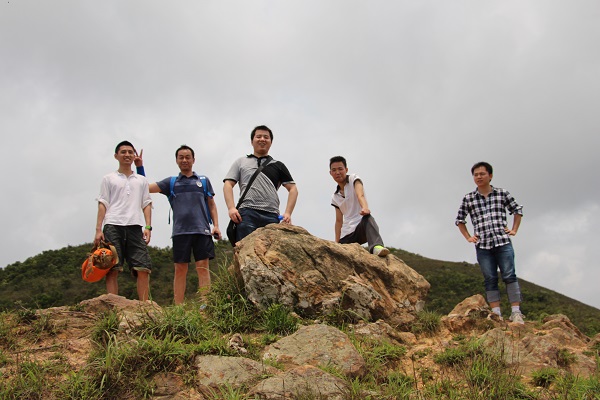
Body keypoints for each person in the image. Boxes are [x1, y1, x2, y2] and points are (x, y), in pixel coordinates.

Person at [137, 145, 221, 305]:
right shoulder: (171, 182)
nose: (184, 160)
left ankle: (206, 305)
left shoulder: (203, 181)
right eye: (181, 157)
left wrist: (216, 225)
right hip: (180, 232)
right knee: (180, 268)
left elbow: (211, 204)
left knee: (203, 267)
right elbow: (144, 188)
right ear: (176, 160)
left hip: (202, 230)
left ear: (193, 160)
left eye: (187, 157)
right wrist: (140, 167)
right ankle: (178, 307)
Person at [455, 161, 525, 324]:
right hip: (483, 245)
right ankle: (496, 313)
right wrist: (468, 237)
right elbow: (459, 220)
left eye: (482, 174)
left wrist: (514, 229)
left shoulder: (502, 193)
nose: (479, 177)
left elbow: (517, 210)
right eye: (475, 175)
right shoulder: (469, 198)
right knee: (490, 278)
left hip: (502, 241)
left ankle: (516, 312)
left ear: (490, 175)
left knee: (509, 275)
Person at [95, 140, 152, 301]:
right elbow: (103, 203)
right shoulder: (108, 178)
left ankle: (145, 306)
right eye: (123, 152)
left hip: (135, 226)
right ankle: (114, 305)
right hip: (113, 225)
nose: (127, 155)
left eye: (130, 152)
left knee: (143, 267)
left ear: (134, 156)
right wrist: (98, 229)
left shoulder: (141, 180)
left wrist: (148, 226)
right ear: (116, 156)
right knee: (112, 267)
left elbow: (146, 203)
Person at [223, 125, 298, 243]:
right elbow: (228, 184)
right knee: (245, 249)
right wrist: (231, 208)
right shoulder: (241, 162)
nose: (262, 139)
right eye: (258, 136)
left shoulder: (278, 165)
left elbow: (293, 189)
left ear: (271, 142)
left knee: (270, 252)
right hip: (247, 213)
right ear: (252, 141)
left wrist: (288, 213)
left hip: (271, 215)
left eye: (266, 137)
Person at [329, 156, 390, 257]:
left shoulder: (353, 179)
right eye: (334, 170)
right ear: (330, 173)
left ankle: (377, 247)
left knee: (368, 218)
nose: (337, 172)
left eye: (340, 169)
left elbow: (360, 195)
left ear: (346, 170)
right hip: (347, 233)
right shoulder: (335, 196)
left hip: (361, 227)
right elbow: (339, 221)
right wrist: (336, 242)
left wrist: (365, 208)